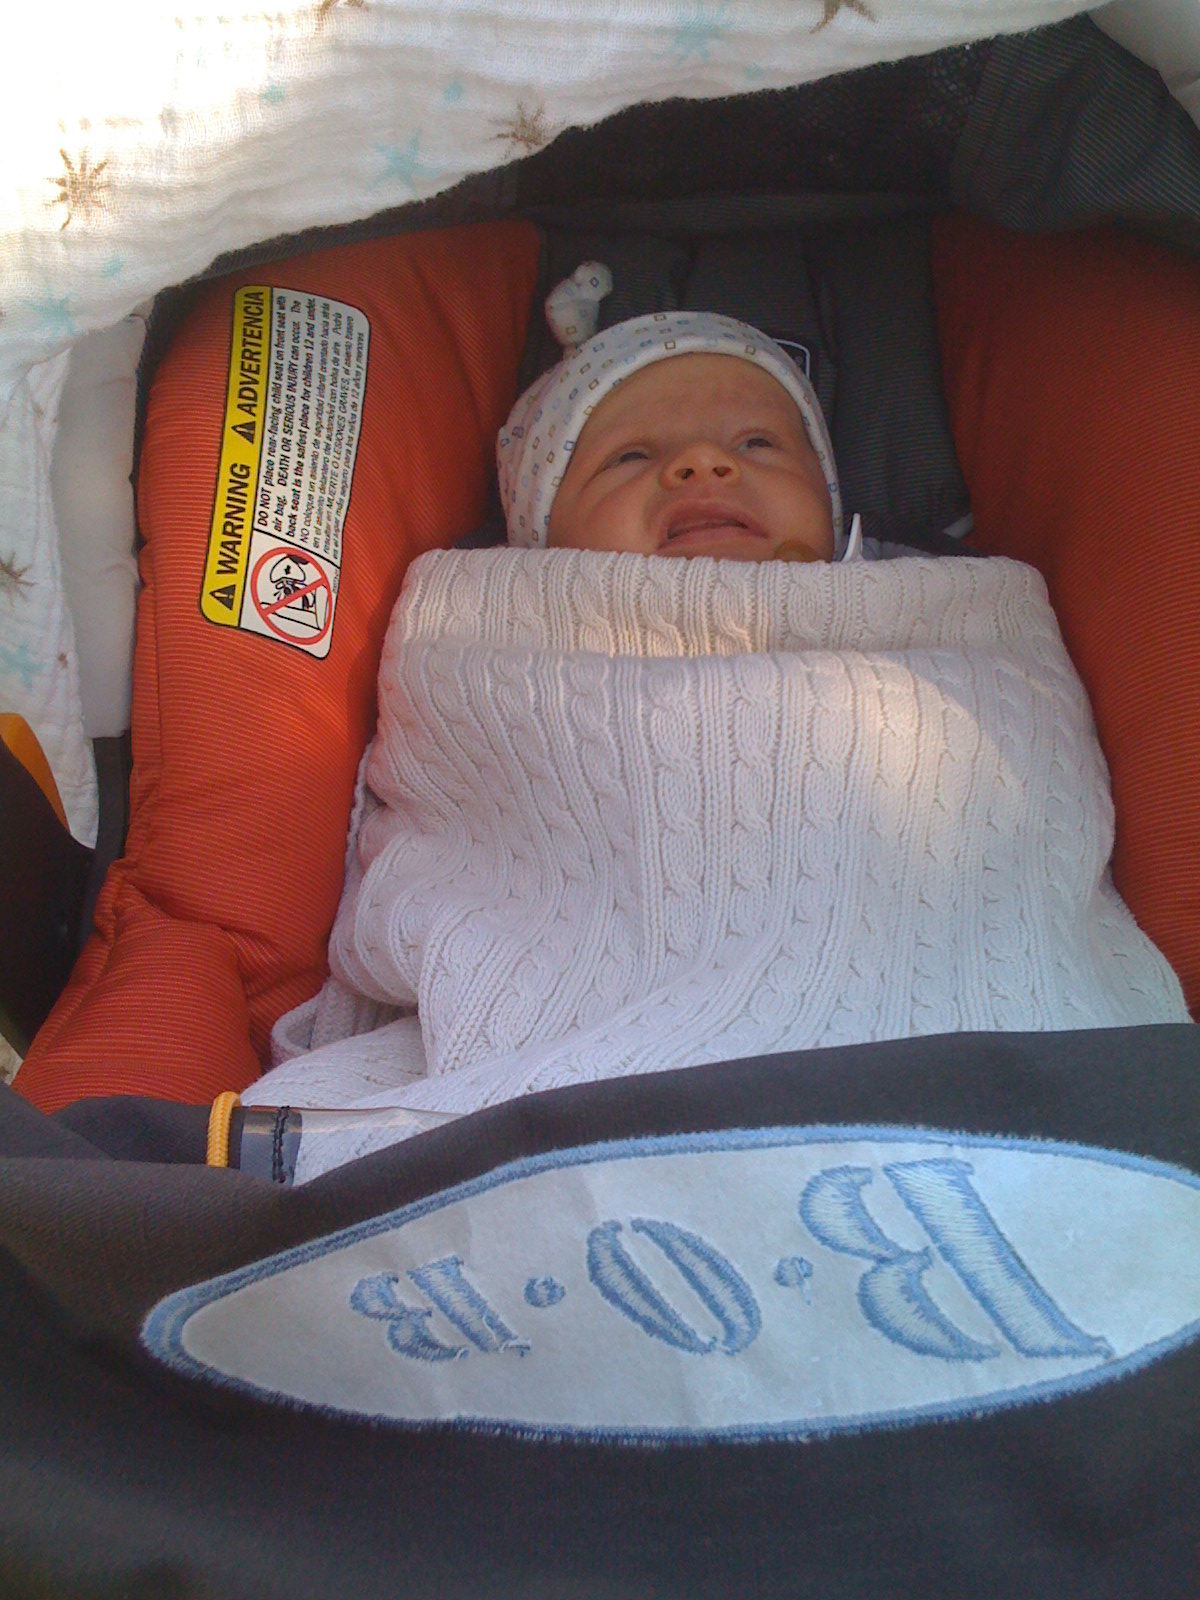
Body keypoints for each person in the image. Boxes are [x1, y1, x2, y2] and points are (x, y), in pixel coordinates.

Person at [496, 304, 863, 565]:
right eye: (631, 456)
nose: (703, 458)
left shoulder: (894, 590)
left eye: (756, 443)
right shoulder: (479, 604)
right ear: (536, 545)